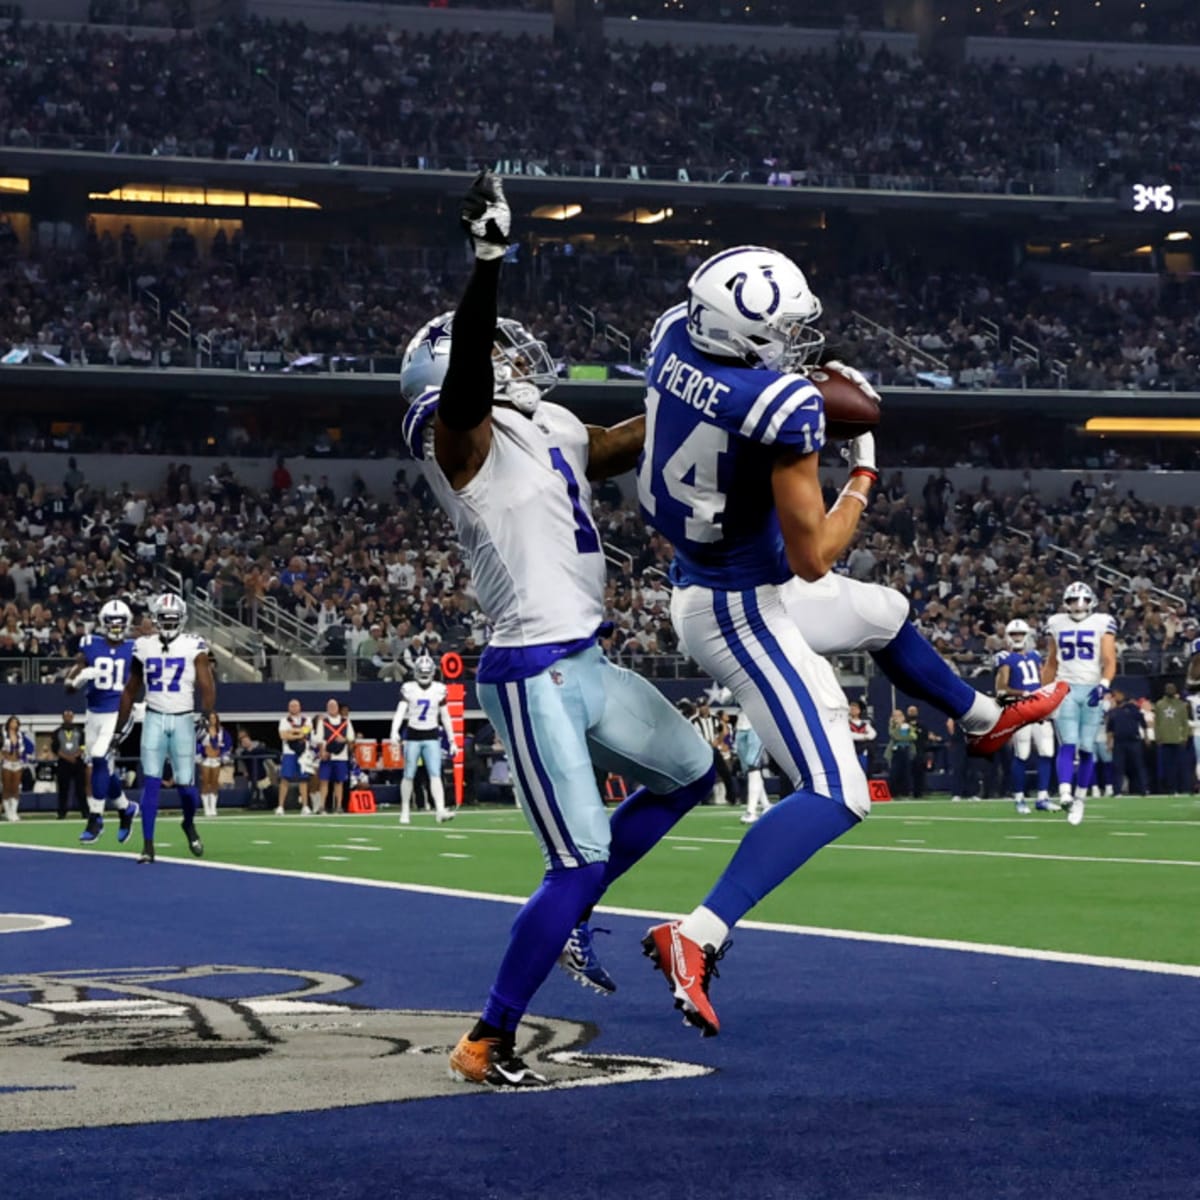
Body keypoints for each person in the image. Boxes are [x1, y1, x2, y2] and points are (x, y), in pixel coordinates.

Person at [631, 243, 1066, 1036]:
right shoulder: (773, 410)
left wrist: (806, 378)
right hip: (743, 607)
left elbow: (745, 381)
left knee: (885, 613)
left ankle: (982, 719)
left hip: (717, 578)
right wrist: (861, 474)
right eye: (786, 333)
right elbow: (815, 553)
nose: (799, 346)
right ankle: (695, 936)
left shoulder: (672, 335)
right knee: (839, 792)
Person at [399, 172, 715, 1087]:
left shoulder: (551, 426)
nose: (516, 356)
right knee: (573, 861)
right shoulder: (456, 435)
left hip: (586, 657)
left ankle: (572, 905)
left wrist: (722, 381)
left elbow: (631, 437)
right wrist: (486, 268)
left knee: (695, 773)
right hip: (530, 667)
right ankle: (485, 1039)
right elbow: (464, 385)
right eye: (497, 347)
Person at [116, 593, 215, 864]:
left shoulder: (194, 644)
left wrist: (207, 714)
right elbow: (131, 688)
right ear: (156, 620)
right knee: (151, 782)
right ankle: (148, 845)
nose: (168, 623)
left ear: (181, 619)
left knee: (186, 786)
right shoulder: (143, 645)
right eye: (164, 618)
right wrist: (119, 725)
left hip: (183, 718)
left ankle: (188, 823)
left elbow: (206, 683)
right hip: (154, 717)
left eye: (172, 618)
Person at [65, 598, 140, 844]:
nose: (116, 626)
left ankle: (95, 817)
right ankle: (125, 808)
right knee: (102, 768)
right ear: (103, 622)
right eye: (112, 622)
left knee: (98, 757)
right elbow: (70, 686)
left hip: (118, 713)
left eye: (120, 622)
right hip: (94, 713)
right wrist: (78, 678)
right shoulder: (89, 644)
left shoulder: (135, 648)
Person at [1044, 581, 1117, 825]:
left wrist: (1104, 685)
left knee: (1086, 748)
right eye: (1073, 600)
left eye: (1082, 600)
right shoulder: (1056, 622)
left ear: (1091, 601)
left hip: (1091, 689)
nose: (1078, 605)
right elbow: (1051, 662)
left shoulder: (1102, 621)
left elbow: (1109, 658)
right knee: (1068, 743)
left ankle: (1080, 799)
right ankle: (1065, 790)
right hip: (1065, 688)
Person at [995, 618, 1055, 813]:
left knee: (1047, 751)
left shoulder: (1035, 656)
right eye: (1014, 635)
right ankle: (1019, 798)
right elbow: (1001, 688)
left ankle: (1043, 797)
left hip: (1037, 708)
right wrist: (1022, 694)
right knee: (1022, 753)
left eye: (1020, 634)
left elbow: (1042, 680)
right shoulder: (1004, 657)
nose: (1018, 638)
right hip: (1020, 709)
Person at [389, 656, 456, 824]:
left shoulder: (439, 689)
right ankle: (405, 810)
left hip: (432, 735)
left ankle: (440, 809)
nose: (425, 675)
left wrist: (452, 739)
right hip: (413, 735)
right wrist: (394, 731)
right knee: (409, 774)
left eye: (427, 672)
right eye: (422, 672)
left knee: (435, 774)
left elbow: (446, 716)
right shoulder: (409, 688)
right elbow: (400, 711)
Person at [314, 697, 355, 815]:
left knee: (339, 782)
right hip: (327, 755)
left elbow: (351, 737)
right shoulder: (323, 722)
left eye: (334, 706)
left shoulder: (346, 721)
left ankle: (338, 806)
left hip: (341, 756)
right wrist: (322, 752)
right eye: (330, 707)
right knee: (324, 781)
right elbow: (319, 738)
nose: (332, 708)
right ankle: (322, 806)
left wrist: (344, 739)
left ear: (338, 708)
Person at [1106, 691, 1149, 796]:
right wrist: (1109, 743)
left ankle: (1144, 789)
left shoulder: (1133, 709)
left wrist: (1146, 737)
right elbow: (1110, 730)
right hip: (1119, 742)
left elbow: (1143, 724)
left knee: (1138, 766)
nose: (1116, 697)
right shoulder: (1113, 712)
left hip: (1134, 741)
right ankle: (1117, 791)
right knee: (1118, 767)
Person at [275, 699, 312, 815]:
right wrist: (298, 733)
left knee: (303, 779)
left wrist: (292, 732)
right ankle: (280, 806)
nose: (294, 708)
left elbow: (306, 731)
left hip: (303, 754)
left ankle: (305, 806)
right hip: (288, 753)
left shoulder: (307, 719)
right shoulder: (284, 721)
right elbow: (283, 735)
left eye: (296, 706)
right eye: (292, 706)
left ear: (300, 707)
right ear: (288, 708)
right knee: (285, 779)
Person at [1154, 683, 1190, 796]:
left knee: (1180, 766)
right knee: (1167, 767)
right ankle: (1169, 789)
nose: (1170, 690)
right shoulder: (1159, 704)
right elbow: (1157, 722)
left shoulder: (1181, 705)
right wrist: (1158, 736)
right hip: (1164, 740)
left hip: (1178, 739)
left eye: (1172, 688)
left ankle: (1181, 788)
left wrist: (1184, 736)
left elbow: (1185, 723)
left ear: (1175, 690)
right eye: (1168, 688)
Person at [51, 709, 86, 820]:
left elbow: (83, 746)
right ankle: (62, 813)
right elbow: (55, 748)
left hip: (77, 762)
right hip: (63, 763)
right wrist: (67, 757)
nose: (68, 718)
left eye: (70, 716)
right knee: (63, 789)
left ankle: (85, 812)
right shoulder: (57, 732)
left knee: (81, 789)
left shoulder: (80, 731)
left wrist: (75, 755)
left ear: (73, 717)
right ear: (63, 717)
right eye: (66, 716)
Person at [196, 711, 232, 817]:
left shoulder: (221, 731)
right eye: (211, 718)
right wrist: (201, 752)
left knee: (214, 783)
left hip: (216, 759)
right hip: (205, 759)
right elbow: (195, 742)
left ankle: (213, 807)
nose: (212, 720)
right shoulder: (202, 731)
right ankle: (206, 807)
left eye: (214, 718)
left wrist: (222, 752)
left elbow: (227, 743)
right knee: (205, 782)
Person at [1, 715, 33, 821]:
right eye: (12, 722)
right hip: (7, 763)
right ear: (9, 723)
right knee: (7, 788)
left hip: (18, 763)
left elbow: (30, 747)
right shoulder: (3, 734)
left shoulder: (20, 736)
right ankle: (7, 811)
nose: (14, 724)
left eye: (16, 722)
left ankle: (14, 812)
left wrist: (24, 757)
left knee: (15, 788)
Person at [848, 700, 875, 776]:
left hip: (862, 751)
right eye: (851, 707)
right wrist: (864, 736)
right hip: (851, 750)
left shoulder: (864, 724)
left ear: (859, 711)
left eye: (855, 708)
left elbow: (873, 734)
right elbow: (850, 735)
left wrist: (864, 737)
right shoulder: (846, 723)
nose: (852, 709)